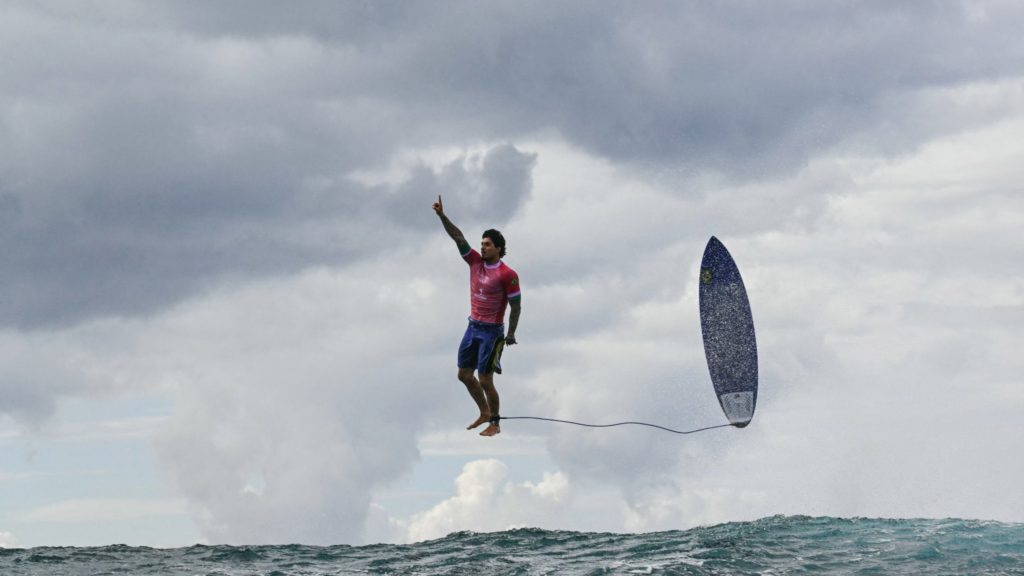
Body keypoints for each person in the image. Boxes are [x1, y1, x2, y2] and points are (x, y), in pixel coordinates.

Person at [433, 195, 521, 437]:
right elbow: (458, 237)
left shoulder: (507, 274)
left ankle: (495, 422)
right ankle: (483, 411)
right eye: (482, 244)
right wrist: (442, 216)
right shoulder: (474, 262)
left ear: (499, 249)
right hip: (473, 327)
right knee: (463, 374)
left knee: (485, 379)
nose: (482, 247)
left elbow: (516, 306)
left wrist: (511, 333)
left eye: (488, 245)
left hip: (492, 332)